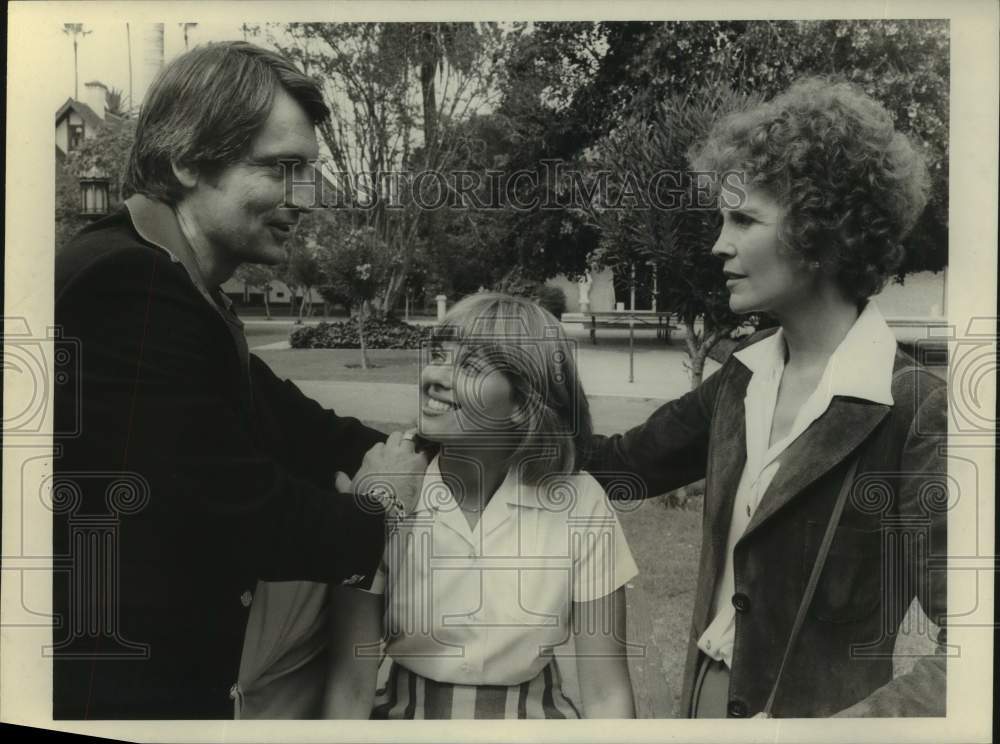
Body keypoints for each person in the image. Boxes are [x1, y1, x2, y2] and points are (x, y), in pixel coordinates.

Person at [52, 41, 426, 719]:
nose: (305, 199)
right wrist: (385, 508)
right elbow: (242, 511)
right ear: (187, 160)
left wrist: (491, 459)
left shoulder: (176, 284)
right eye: (282, 170)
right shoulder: (124, 285)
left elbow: (304, 426)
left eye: (308, 172)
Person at [585, 77, 947, 718]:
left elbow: (974, 649)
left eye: (744, 219)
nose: (719, 243)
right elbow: (614, 466)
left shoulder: (917, 410)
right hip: (702, 709)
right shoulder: (740, 378)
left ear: (823, 234)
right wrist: (468, 423)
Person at [312, 293, 639, 719]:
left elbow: (606, 694)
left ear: (522, 404)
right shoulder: (385, 490)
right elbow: (349, 684)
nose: (435, 376)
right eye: (437, 355)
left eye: (468, 366)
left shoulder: (580, 502)